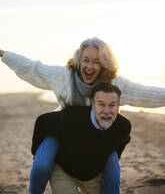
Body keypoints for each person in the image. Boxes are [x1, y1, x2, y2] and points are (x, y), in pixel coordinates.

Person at [0, 37, 165, 194]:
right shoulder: (64, 76)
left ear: (104, 64)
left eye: (96, 61)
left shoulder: (114, 83)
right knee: (41, 165)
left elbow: (144, 94)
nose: (89, 66)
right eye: (86, 60)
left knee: (113, 175)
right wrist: (3, 54)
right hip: (61, 131)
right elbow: (32, 68)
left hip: (99, 136)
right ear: (79, 60)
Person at [31, 83, 131, 194]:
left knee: (113, 174)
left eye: (112, 105)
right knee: (41, 166)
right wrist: (36, 153)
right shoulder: (72, 116)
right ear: (93, 104)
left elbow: (121, 142)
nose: (107, 111)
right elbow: (42, 121)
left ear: (118, 105)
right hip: (64, 172)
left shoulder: (124, 126)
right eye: (101, 104)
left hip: (93, 176)